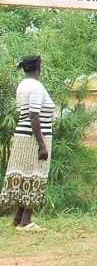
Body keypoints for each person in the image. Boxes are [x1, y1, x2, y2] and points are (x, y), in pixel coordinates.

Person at [1, 56, 55, 231]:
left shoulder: (22, 85)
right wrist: (42, 144)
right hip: (35, 138)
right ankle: (26, 221)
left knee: (25, 175)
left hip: (22, 135)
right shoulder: (36, 86)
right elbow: (33, 116)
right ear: (38, 67)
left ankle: (18, 218)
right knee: (36, 174)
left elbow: (23, 113)